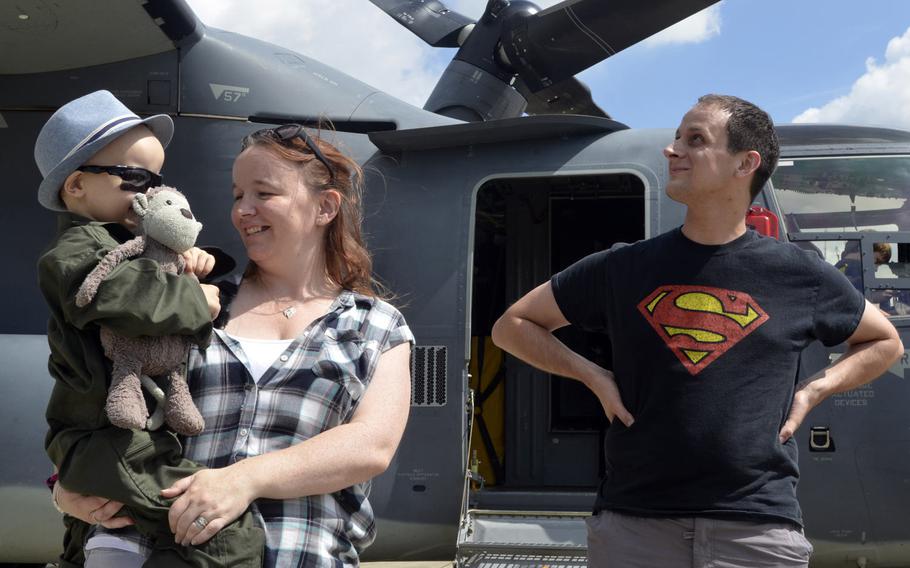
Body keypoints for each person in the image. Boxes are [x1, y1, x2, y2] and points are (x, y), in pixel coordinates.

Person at [491, 94, 903, 567]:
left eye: (695, 140)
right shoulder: (622, 267)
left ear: (744, 163)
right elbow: (513, 326)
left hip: (756, 529)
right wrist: (592, 375)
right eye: (675, 138)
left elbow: (884, 341)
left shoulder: (799, 273)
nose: (672, 150)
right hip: (635, 527)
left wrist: (817, 389)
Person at [55, 122, 415, 567]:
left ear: (325, 207)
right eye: (237, 195)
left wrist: (243, 480)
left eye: (263, 193)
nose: (243, 209)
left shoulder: (376, 325)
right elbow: (96, 389)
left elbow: (371, 445)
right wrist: (65, 485)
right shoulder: (194, 300)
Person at [34, 90, 265, 567]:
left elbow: (149, 283)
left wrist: (193, 266)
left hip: (128, 441)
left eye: (156, 180)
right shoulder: (75, 252)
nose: (146, 194)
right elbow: (127, 297)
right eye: (134, 177)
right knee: (227, 536)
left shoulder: (134, 247)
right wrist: (193, 298)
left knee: (161, 532)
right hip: (105, 441)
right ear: (76, 185)